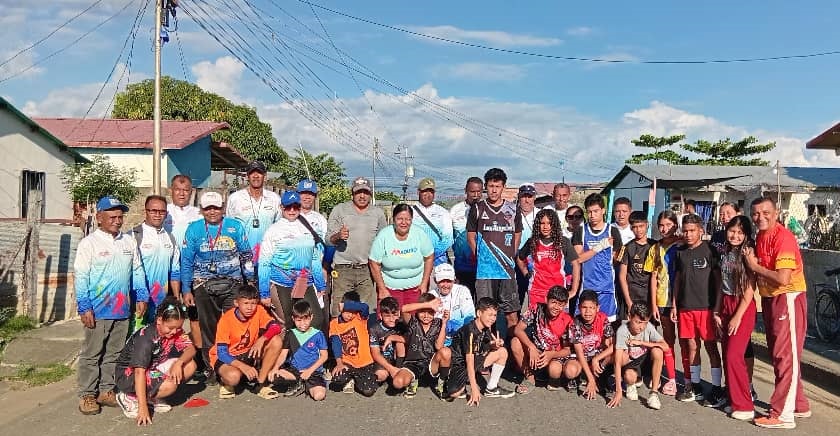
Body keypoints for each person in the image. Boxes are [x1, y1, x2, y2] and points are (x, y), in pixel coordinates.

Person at [75, 195, 148, 415]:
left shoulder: (128, 241)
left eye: (120, 216)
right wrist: (84, 306)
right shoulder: (89, 243)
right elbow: (80, 276)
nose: (117, 220)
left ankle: (106, 391)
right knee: (92, 353)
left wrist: (142, 296)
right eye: (112, 216)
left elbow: (137, 270)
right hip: (97, 311)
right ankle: (87, 395)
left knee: (115, 353)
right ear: (99, 217)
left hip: (122, 310)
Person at [745, 196, 810, 429]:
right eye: (755, 213)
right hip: (772, 298)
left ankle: (782, 414)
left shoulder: (784, 238)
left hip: (788, 297)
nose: (760, 217)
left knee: (785, 356)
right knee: (780, 353)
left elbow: (783, 278)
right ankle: (799, 404)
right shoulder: (762, 236)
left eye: (765, 213)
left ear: (777, 212)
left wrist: (754, 267)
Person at [180, 191, 254, 383]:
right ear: (202, 210)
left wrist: (251, 282)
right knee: (209, 329)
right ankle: (213, 367)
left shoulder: (235, 226)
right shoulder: (194, 229)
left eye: (216, 207)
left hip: (233, 283)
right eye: (207, 208)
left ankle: (237, 365)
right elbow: (186, 261)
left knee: (235, 326)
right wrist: (186, 289)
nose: (212, 211)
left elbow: (246, 255)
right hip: (203, 284)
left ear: (223, 208)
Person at [115, 297, 196, 425]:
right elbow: (138, 372)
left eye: (178, 327)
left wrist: (179, 363)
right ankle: (130, 397)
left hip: (152, 368)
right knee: (170, 386)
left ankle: (151, 396)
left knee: (190, 365)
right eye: (170, 328)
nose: (175, 331)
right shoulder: (146, 338)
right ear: (159, 321)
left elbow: (191, 349)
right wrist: (143, 409)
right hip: (128, 375)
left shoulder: (175, 331)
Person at [672, 214, 724, 406]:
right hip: (686, 308)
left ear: (701, 230)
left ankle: (717, 388)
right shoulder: (680, 252)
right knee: (692, 347)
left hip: (706, 308)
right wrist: (675, 304)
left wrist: (717, 307)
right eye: (685, 230)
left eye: (692, 230)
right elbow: (677, 280)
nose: (688, 234)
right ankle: (695, 386)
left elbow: (719, 282)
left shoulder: (710, 251)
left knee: (711, 348)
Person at [709, 202, 757, 401]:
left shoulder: (748, 253)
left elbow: (749, 288)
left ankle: (744, 401)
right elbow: (722, 284)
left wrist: (737, 316)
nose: (735, 235)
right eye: (732, 231)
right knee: (728, 353)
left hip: (742, 305)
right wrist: (717, 310)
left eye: (740, 232)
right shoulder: (727, 251)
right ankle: (732, 396)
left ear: (746, 235)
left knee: (734, 356)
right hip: (726, 303)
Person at [467, 168, 522, 336]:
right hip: (485, 271)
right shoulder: (477, 209)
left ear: (503, 187)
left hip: (506, 270)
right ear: (486, 187)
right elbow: (471, 236)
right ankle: (486, 350)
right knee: (486, 314)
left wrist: (510, 254)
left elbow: (517, 233)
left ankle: (513, 351)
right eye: (491, 186)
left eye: (497, 186)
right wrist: (482, 256)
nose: (494, 190)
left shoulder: (513, 210)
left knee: (511, 314)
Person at [259, 190, 324, 330]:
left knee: (316, 319)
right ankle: (289, 352)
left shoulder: (308, 228)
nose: (292, 210)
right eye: (288, 207)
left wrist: (320, 285)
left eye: (296, 207)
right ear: (282, 208)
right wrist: (264, 293)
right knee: (289, 323)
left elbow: (314, 257)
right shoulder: (273, 230)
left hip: (304, 281)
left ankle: (306, 350)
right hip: (282, 282)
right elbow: (264, 262)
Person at [210, 284, 283, 400]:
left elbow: (276, 327)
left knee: (276, 340)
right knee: (233, 377)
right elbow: (222, 353)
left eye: (253, 303)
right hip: (229, 356)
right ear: (236, 303)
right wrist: (243, 367)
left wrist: (262, 339)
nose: (250, 308)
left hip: (248, 352)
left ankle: (260, 384)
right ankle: (224, 380)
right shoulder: (226, 320)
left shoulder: (259, 310)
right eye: (246, 303)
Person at [327, 177, 388, 316]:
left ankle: (365, 337)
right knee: (339, 310)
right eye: (358, 192)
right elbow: (328, 240)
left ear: (370, 194)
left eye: (365, 192)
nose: (362, 196)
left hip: (367, 269)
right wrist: (338, 236)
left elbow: (383, 241)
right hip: (343, 268)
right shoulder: (339, 210)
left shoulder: (378, 213)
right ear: (352, 193)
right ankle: (337, 336)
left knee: (367, 310)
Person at [445, 297, 516, 404]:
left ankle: (491, 388)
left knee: (502, 351)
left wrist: (495, 345)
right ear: (479, 313)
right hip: (460, 365)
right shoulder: (470, 331)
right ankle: (458, 380)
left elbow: (486, 346)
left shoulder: (486, 327)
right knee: (454, 393)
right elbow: (469, 361)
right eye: (489, 315)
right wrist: (474, 389)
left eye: (495, 315)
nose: (492, 319)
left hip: (475, 360)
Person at [164, 175, 202, 369]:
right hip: (167, 274)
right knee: (169, 317)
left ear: (191, 191)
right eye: (178, 189)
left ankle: (199, 360)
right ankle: (167, 357)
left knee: (194, 317)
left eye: (186, 190)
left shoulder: (197, 214)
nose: (181, 193)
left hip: (190, 273)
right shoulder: (164, 212)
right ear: (171, 190)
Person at [369, 204, 434, 315]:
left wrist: (424, 283)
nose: (404, 222)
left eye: (407, 219)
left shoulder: (419, 234)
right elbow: (373, 262)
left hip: (415, 288)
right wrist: (382, 288)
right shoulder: (384, 235)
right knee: (391, 320)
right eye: (400, 219)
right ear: (393, 219)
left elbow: (429, 257)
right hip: (390, 288)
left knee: (413, 322)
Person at [607, 302, 673, 410]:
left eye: (645, 323)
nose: (641, 327)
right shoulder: (622, 331)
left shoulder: (648, 327)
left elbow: (665, 346)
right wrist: (618, 391)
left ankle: (654, 394)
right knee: (627, 370)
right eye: (637, 322)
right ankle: (630, 383)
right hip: (631, 362)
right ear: (629, 317)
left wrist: (642, 343)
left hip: (644, 360)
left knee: (658, 351)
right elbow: (617, 363)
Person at [643, 211, 681, 395]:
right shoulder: (655, 248)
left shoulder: (682, 245)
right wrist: (654, 304)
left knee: (688, 342)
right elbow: (653, 277)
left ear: (676, 225)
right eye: (661, 225)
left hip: (683, 300)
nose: (665, 229)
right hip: (662, 300)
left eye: (669, 225)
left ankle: (689, 379)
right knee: (668, 340)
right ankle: (671, 378)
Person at [511, 286, 575, 394]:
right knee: (515, 342)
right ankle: (530, 378)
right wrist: (531, 347)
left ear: (564, 305)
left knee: (555, 370)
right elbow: (518, 329)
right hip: (537, 350)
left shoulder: (567, 320)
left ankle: (551, 376)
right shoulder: (536, 308)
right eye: (553, 302)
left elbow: (568, 350)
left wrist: (551, 354)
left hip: (553, 355)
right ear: (546, 300)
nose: (556, 307)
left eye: (560, 304)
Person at [516, 209, 580, 311]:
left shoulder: (563, 242)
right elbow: (520, 259)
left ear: (554, 224)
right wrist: (526, 273)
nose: (545, 227)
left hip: (558, 293)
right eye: (542, 223)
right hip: (537, 291)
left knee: (558, 325)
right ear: (538, 224)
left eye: (549, 223)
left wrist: (574, 290)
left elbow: (576, 264)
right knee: (537, 325)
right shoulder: (532, 241)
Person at [131, 195, 180, 326]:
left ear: (166, 213)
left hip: (160, 300)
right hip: (138, 301)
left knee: (156, 339)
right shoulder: (133, 236)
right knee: (134, 340)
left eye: (162, 211)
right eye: (153, 210)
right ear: (145, 211)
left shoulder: (170, 238)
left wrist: (176, 299)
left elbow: (174, 272)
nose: (158, 215)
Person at [572, 193, 623, 321]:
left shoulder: (612, 231)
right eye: (589, 212)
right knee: (583, 329)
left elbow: (619, 258)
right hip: (587, 289)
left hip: (607, 290)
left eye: (596, 211)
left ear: (603, 211)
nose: (592, 215)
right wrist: (600, 246)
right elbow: (578, 259)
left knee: (608, 329)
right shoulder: (581, 231)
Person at [391, 294, 451, 398]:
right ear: (417, 311)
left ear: (435, 312)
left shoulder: (438, 323)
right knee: (397, 382)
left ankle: (442, 383)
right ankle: (413, 381)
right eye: (423, 311)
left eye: (430, 312)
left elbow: (439, 346)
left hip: (431, 363)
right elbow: (403, 309)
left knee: (446, 351)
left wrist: (445, 323)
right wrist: (428, 304)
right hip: (412, 363)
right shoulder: (413, 322)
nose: (426, 315)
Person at [269, 301, 329, 401]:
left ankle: (306, 385)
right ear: (293, 319)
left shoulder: (318, 334)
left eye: (306, 319)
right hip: (295, 370)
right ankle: (298, 382)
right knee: (273, 376)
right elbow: (283, 355)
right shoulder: (290, 334)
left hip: (313, 371)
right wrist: (275, 367)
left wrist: (309, 371)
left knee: (319, 396)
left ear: (311, 317)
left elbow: (324, 356)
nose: (302, 324)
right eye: (299, 320)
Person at [565, 290, 614, 400]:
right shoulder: (575, 323)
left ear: (597, 308)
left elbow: (613, 345)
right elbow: (579, 353)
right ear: (579, 307)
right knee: (570, 371)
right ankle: (582, 376)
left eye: (591, 308)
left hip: (596, 355)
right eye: (584, 307)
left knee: (618, 354)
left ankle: (602, 377)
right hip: (581, 357)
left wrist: (596, 359)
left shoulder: (603, 318)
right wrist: (591, 379)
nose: (587, 312)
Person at [226, 161, 280, 260]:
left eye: (259, 172)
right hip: (241, 257)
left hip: (267, 257)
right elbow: (228, 228)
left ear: (265, 176)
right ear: (247, 176)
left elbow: (279, 227)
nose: (255, 176)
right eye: (252, 173)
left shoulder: (274, 199)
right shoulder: (235, 198)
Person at [329, 291, 379, 396]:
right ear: (341, 308)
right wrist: (339, 363)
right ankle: (350, 379)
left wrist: (346, 306)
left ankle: (357, 379)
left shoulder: (359, 317)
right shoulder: (334, 324)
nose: (349, 315)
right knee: (337, 378)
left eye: (352, 311)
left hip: (365, 362)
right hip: (348, 362)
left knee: (369, 391)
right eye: (347, 311)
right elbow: (336, 342)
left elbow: (365, 307)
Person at [297, 179, 329, 328]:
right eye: (304, 193)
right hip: (295, 273)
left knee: (317, 313)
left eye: (310, 194)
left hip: (315, 272)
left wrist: (325, 268)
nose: (307, 197)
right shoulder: (289, 216)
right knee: (298, 311)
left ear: (315, 196)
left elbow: (327, 245)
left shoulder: (320, 219)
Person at [429, 263, 475, 347]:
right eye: (442, 281)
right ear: (436, 281)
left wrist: (454, 322)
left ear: (454, 280)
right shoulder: (431, 295)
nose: (445, 285)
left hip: (460, 339)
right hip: (438, 341)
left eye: (449, 281)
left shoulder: (463, 291)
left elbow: (470, 318)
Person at [617, 211, 653, 319]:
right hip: (632, 295)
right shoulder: (627, 247)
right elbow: (622, 276)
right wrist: (629, 302)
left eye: (641, 226)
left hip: (649, 295)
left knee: (648, 330)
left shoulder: (655, 246)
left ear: (647, 224)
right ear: (631, 228)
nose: (638, 230)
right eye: (635, 227)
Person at [450, 176, 484, 292]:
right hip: (462, 266)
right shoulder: (455, 210)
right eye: (472, 191)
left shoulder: (487, 210)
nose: (475, 195)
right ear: (466, 190)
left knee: (482, 303)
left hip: (483, 267)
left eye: (478, 191)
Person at [413, 177, 454, 266]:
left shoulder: (443, 212)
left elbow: (448, 239)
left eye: (431, 192)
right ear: (418, 192)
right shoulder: (409, 212)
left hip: (438, 262)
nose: (428, 194)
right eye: (425, 191)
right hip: (415, 261)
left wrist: (431, 256)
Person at [368, 297, 406, 385]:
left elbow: (410, 340)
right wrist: (390, 369)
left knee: (400, 342)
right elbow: (375, 354)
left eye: (395, 315)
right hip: (383, 359)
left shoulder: (401, 325)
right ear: (381, 316)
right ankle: (390, 373)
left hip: (398, 359)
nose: (392, 319)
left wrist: (392, 337)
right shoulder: (375, 329)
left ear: (399, 313)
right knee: (381, 375)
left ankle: (398, 370)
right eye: (387, 316)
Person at [515, 183, 541, 304]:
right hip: (515, 261)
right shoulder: (511, 214)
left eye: (529, 196)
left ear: (534, 197)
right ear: (519, 197)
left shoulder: (540, 215)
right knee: (516, 299)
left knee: (536, 300)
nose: (526, 200)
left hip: (535, 262)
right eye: (523, 196)